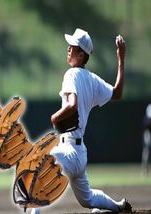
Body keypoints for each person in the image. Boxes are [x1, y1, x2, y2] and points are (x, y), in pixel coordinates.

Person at [31, 28, 131, 214]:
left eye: (73, 47)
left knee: (40, 168)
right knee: (88, 199)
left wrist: (55, 117)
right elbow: (117, 93)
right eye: (69, 46)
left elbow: (73, 104)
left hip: (68, 152)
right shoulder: (92, 79)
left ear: (81, 53)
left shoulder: (71, 74)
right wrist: (121, 60)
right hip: (79, 153)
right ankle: (119, 206)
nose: (68, 49)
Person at [141, 103, 151, 175]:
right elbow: (146, 132)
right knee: (146, 152)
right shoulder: (146, 119)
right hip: (148, 134)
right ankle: (145, 170)